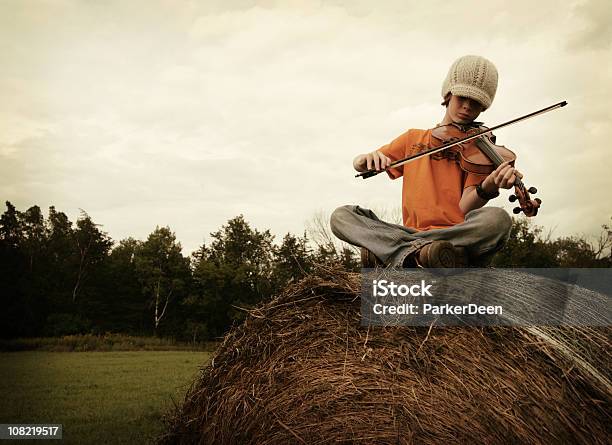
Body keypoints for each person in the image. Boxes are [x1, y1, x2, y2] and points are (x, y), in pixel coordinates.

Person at [330, 55, 518, 268]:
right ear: (448, 95)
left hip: (455, 234)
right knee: (341, 216)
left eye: (475, 103)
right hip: (409, 233)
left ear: (483, 108)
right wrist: (363, 160)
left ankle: (399, 251)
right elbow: (361, 164)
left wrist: (488, 187)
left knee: (498, 220)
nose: (466, 107)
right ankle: (417, 251)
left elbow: (466, 205)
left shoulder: (478, 150)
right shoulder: (413, 139)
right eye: (461, 98)